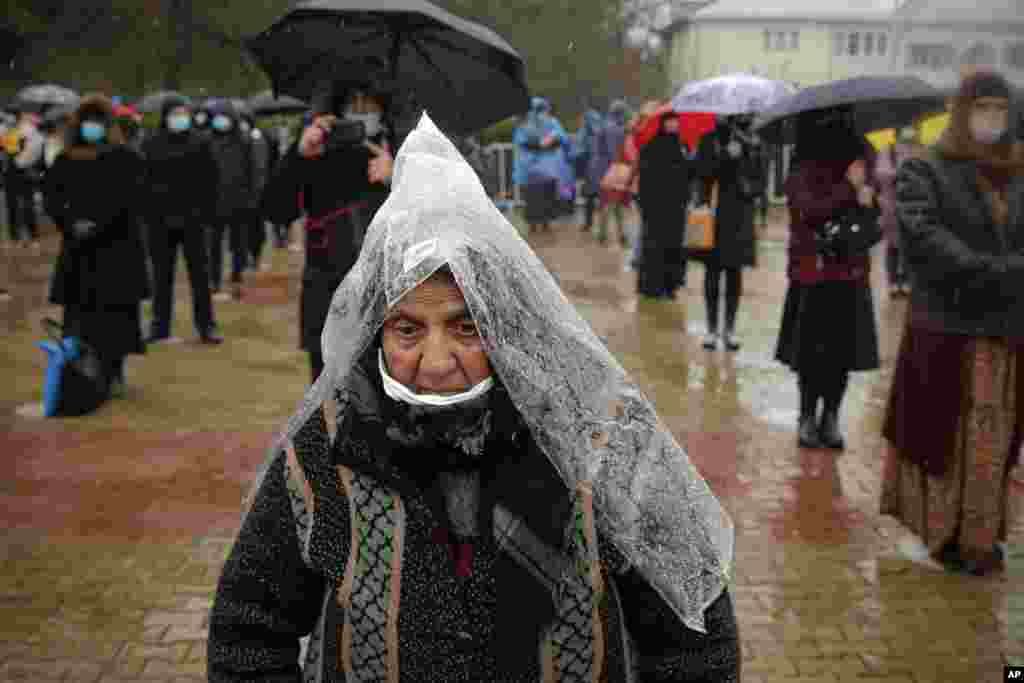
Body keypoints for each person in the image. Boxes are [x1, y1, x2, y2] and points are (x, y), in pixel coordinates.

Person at [208, 113, 740, 682]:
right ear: (375, 332)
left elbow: (695, 630)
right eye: (407, 330)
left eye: (467, 329)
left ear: (506, 323)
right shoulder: (332, 447)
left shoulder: (599, 439)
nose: (436, 364)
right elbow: (248, 630)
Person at [880, 70, 1024, 576]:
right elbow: (923, 237)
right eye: (982, 108)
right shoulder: (928, 168)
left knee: (993, 443)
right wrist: (994, 270)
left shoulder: (1017, 170)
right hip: (946, 329)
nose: (992, 120)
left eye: (1000, 110)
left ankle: (981, 537)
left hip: (1003, 334)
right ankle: (942, 537)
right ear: (963, 112)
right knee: (942, 441)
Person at [261, 71, 396, 385]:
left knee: (379, 389)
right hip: (326, 281)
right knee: (324, 384)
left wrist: (397, 176)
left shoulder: (402, 145)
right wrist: (298, 158)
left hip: (384, 285)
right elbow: (276, 210)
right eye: (354, 104)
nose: (363, 113)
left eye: (370, 105)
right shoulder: (318, 147)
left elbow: (432, 216)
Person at [774, 106, 881, 450]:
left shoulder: (864, 160)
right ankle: (807, 416)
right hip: (813, 271)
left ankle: (831, 416)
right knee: (811, 354)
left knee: (841, 354)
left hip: (850, 271)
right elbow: (805, 209)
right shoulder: (803, 161)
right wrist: (849, 190)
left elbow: (874, 221)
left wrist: (868, 201)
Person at [43, 94, 151, 398]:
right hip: (79, 252)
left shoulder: (126, 158)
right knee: (79, 317)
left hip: (116, 249)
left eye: (97, 121)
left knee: (115, 316)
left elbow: (132, 198)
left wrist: (99, 224)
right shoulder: (66, 159)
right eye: (87, 121)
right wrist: (70, 222)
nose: (92, 127)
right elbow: (52, 197)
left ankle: (114, 371)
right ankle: (82, 371)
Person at [141, 95, 223, 345]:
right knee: (161, 277)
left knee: (200, 276)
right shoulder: (151, 143)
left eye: (183, 113)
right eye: (174, 113)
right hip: (160, 221)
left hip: (194, 221)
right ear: (165, 117)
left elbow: (212, 180)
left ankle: (206, 326)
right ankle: (159, 326)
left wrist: (208, 213)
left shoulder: (201, 142)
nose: (179, 118)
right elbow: (143, 181)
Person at [693, 114, 766, 351]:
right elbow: (701, 174)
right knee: (712, 273)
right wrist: (725, 156)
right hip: (713, 214)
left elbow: (759, 182)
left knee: (734, 274)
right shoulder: (708, 140)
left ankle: (730, 330)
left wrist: (743, 157)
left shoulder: (752, 142)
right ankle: (712, 330)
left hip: (739, 216)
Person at [636, 109, 692, 300]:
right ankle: (653, 286)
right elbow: (645, 177)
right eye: (669, 121)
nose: (673, 125)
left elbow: (688, 175)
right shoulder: (652, 146)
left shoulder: (683, 146)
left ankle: (671, 285)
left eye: (675, 121)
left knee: (674, 247)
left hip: (676, 207)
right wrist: (645, 204)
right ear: (662, 124)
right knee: (654, 247)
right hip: (656, 208)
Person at [206, 100, 253, 302]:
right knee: (214, 244)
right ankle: (214, 280)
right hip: (214, 202)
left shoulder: (243, 141)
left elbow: (251, 171)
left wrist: (250, 198)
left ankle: (237, 277)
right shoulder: (207, 141)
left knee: (238, 244)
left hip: (238, 202)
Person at [875, 125, 923, 298]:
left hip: (913, 205)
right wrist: (899, 173)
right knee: (892, 245)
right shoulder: (887, 151)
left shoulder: (920, 150)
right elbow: (881, 173)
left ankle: (908, 280)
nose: (909, 139)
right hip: (891, 206)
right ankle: (893, 282)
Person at [513, 97, 569, 234]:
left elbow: (561, 139)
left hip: (538, 167)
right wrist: (542, 145)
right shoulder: (527, 124)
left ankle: (541, 223)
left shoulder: (547, 123)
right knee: (537, 196)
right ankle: (538, 223)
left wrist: (542, 145)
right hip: (538, 166)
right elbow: (522, 142)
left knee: (541, 195)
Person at [595, 99, 633, 250]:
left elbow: (599, 151)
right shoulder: (620, 129)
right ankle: (620, 235)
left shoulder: (604, 127)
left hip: (604, 170)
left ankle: (603, 235)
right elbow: (620, 152)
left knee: (606, 204)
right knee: (615, 205)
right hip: (617, 169)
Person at [4, 108, 43, 249]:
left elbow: (37, 147)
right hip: (9, 172)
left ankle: (33, 237)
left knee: (28, 205)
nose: (9, 119)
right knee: (11, 206)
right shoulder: (4, 129)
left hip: (24, 171)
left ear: (18, 116)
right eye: (7, 117)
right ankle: (14, 238)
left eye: (12, 116)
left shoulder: (29, 130)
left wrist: (21, 161)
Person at [241, 112, 272, 272]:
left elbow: (260, 166)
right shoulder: (241, 138)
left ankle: (255, 257)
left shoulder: (257, 137)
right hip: (243, 193)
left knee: (255, 228)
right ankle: (248, 257)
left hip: (256, 193)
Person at [574, 106, 605, 232]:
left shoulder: (585, 133)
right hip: (601, 168)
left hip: (591, 169)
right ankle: (602, 226)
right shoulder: (602, 130)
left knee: (590, 198)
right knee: (600, 198)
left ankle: (589, 223)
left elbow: (579, 151)